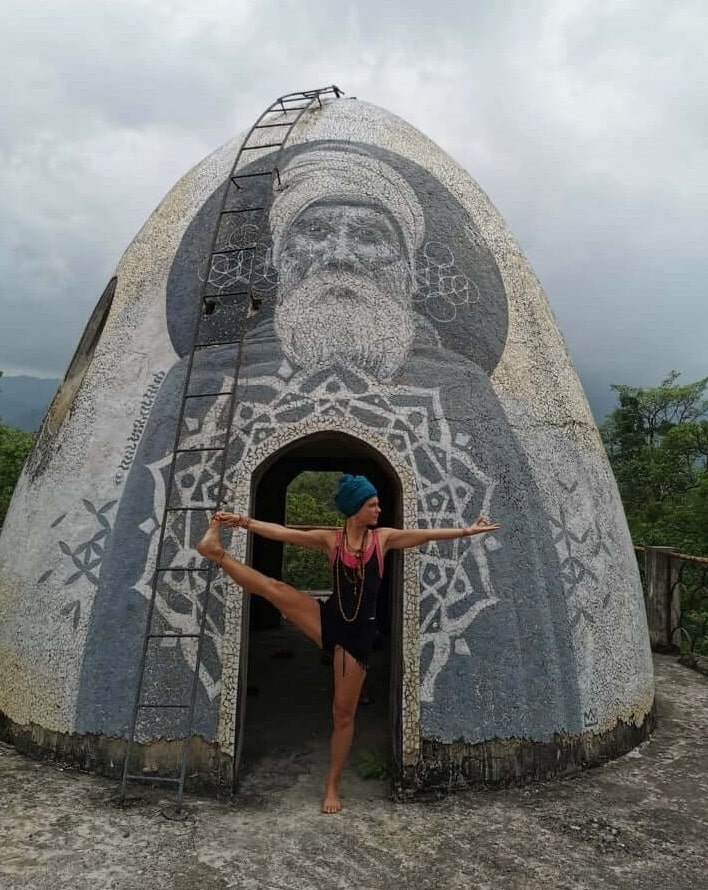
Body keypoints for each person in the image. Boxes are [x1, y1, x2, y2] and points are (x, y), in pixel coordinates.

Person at [197, 473, 499, 814]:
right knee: (274, 589)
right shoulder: (331, 540)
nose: (378, 509)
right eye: (372, 504)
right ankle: (216, 553)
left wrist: (466, 530)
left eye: (377, 503)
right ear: (355, 509)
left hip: (358, 638)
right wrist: (243, 522)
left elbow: (425, 535)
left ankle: (332, 785)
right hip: (330, 619)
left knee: (342, 714)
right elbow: (283, 534)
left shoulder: (383, 539)